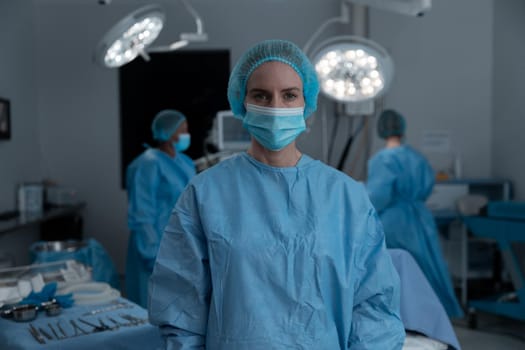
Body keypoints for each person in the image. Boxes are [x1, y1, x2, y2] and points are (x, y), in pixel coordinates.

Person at [148, 40, 405, 349]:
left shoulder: (345, 197)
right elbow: (181, 311)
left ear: (306, 102)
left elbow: (374, 307)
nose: (275, 107)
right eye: (261, 95)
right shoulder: (205, 195)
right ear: (242, 103)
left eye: (289, 95)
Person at [366, 109, 464, 318]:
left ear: (381, 130)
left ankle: (405, 316)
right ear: (402, 129)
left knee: (397, 271)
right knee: (428, 267)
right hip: (421, 218)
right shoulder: (417, 157)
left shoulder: (382, 160)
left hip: (394, 221)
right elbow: (428, 186)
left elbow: (379, 196)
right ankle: (435, 315)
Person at [126, 109, 196, 308]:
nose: (185, 135)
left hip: (179, 244)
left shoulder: (184, 162)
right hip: (152, 245)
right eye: (182, 130)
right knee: (151, 308)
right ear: (168, 133)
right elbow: (142, 214)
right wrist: (152, 255)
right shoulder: (148, 164)